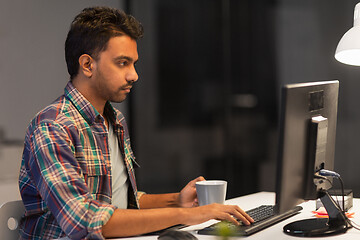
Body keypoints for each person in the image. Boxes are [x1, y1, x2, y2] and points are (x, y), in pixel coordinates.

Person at [18, 6, 253, 239]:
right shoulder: (52, 127)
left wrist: (176, 201)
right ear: (88, 65)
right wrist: (188, 215)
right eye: (122, 63)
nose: (134, 75)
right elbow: (84, 220)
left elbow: (123, 201)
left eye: (134, 63)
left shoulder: (115, 120)